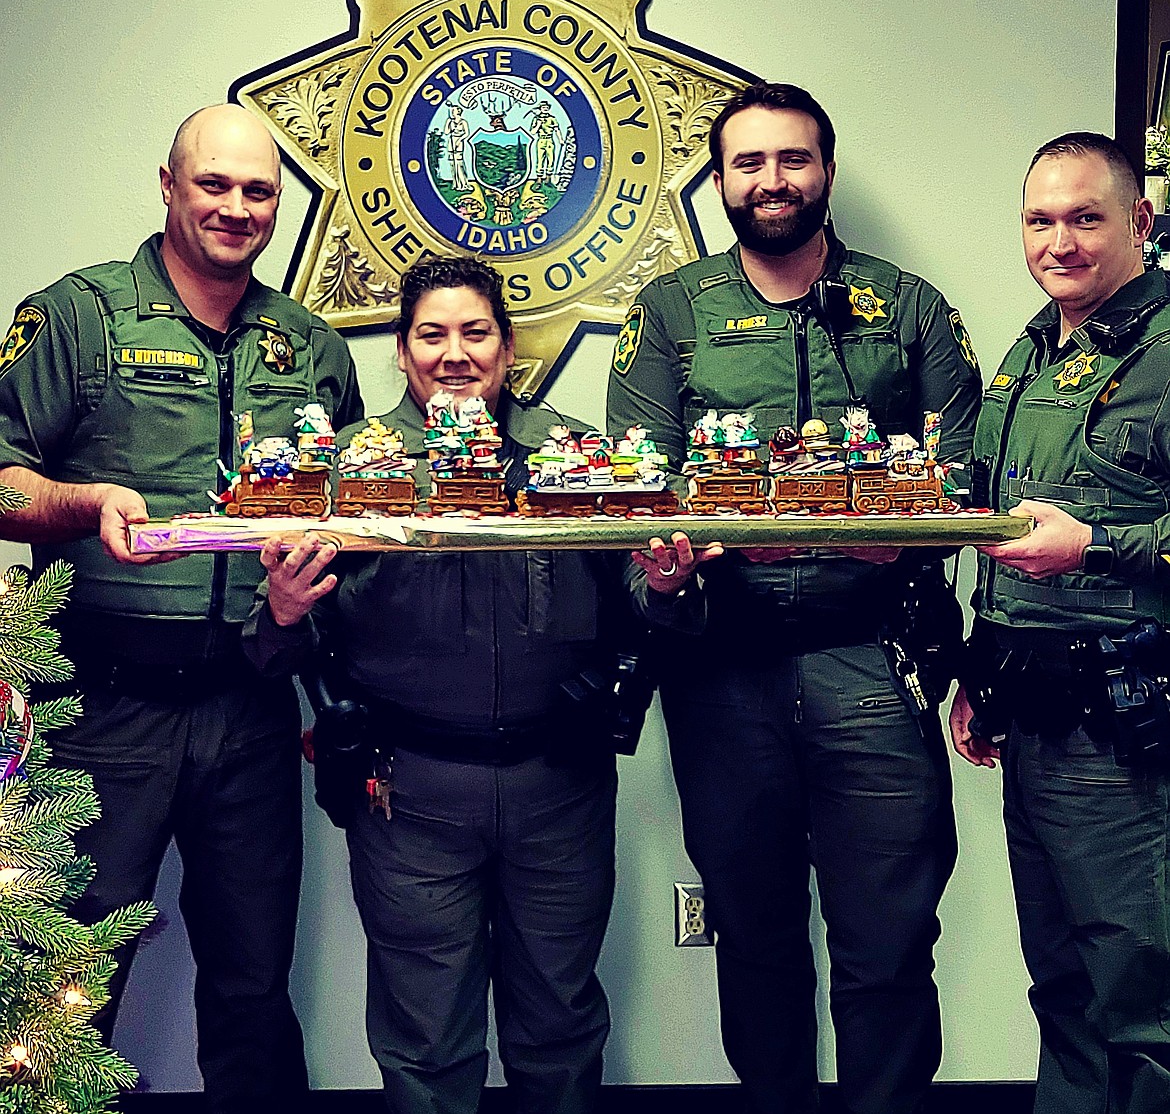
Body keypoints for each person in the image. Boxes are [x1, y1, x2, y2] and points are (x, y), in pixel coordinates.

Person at [607, 81, 982, 1114]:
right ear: (720, 180)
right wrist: (665, 558)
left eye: (794, 160)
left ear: (825, 168)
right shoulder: (672, 311)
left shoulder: (906, 308)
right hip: (723, 664)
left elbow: (968, 478)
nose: (773, 181)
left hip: (874, 658)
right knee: (754, 931)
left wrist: (905, 544)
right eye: (749, 163)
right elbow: (638, 483)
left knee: (891, 940)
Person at [0, 104, 363, 1113]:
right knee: (64, 986)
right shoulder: (78, 315)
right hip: (103, 713)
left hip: (250, 704)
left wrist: (309, 589)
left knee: (252, 984)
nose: (235, 207)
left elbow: (347, 508)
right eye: (214, 184)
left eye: (257, 190)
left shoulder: (311, 348)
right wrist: (78, 504)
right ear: (167, 185)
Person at [247, 255, 622, 1114]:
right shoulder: (341, 473)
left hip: (558, 784)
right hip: (408, 793)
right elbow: (269, 651)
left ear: (510, 344)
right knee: (425, 1044)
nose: (456, 353)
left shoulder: (580, 459)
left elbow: (646, 612)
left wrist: (672, 587)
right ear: (403, 352)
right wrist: (279, 612)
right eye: (432, 335)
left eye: (475, 331)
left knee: (561, 1026)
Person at [950, 132, 1170, 1114]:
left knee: (1143, 997)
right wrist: (976, 672)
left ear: (1141, 223)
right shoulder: (1032, 349)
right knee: (1065, 987)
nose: (1061, 241)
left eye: (1087, 216)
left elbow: (1081, 538)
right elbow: (1009, 527)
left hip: (1124, 723)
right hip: (1031, 715)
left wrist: (1098, 548)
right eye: (1042, 219)